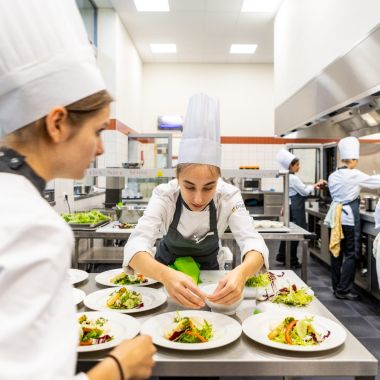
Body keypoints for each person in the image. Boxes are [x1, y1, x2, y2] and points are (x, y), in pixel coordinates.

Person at [0, 1, 155, 379]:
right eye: (98, 131)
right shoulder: (32, 226)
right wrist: (120, 367)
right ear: (57, 123)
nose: (101, 148)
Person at [123, 93, 269, 308]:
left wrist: (241, 273)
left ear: (218, 180)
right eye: (189, 186)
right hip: (163, 283)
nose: (198, 198)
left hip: (212, 285)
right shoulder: (165, 195)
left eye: (209, 186)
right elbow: (136, 245)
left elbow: (253, 241)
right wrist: (165, 275)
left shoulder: (228, 195)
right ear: (177, 178)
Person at [324, 136, 380, 301]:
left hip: (335, 217)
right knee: (351, 253)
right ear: (354, 160)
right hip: (348, 219)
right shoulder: (353, 174)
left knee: (336, 253)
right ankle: (344, 290)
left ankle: (337, 287)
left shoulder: (333, 175)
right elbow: (374, 182)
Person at [275, 149, 327, 268]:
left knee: (288, 232)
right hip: (295, 207)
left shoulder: (287, 176)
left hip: (290, 205)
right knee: (296, 233)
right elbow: (304, 191)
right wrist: (316, 185)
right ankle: (292, 260)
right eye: (297, 165)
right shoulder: (293, 178)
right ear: (290, 166)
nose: (299, 167)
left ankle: (282, 255)